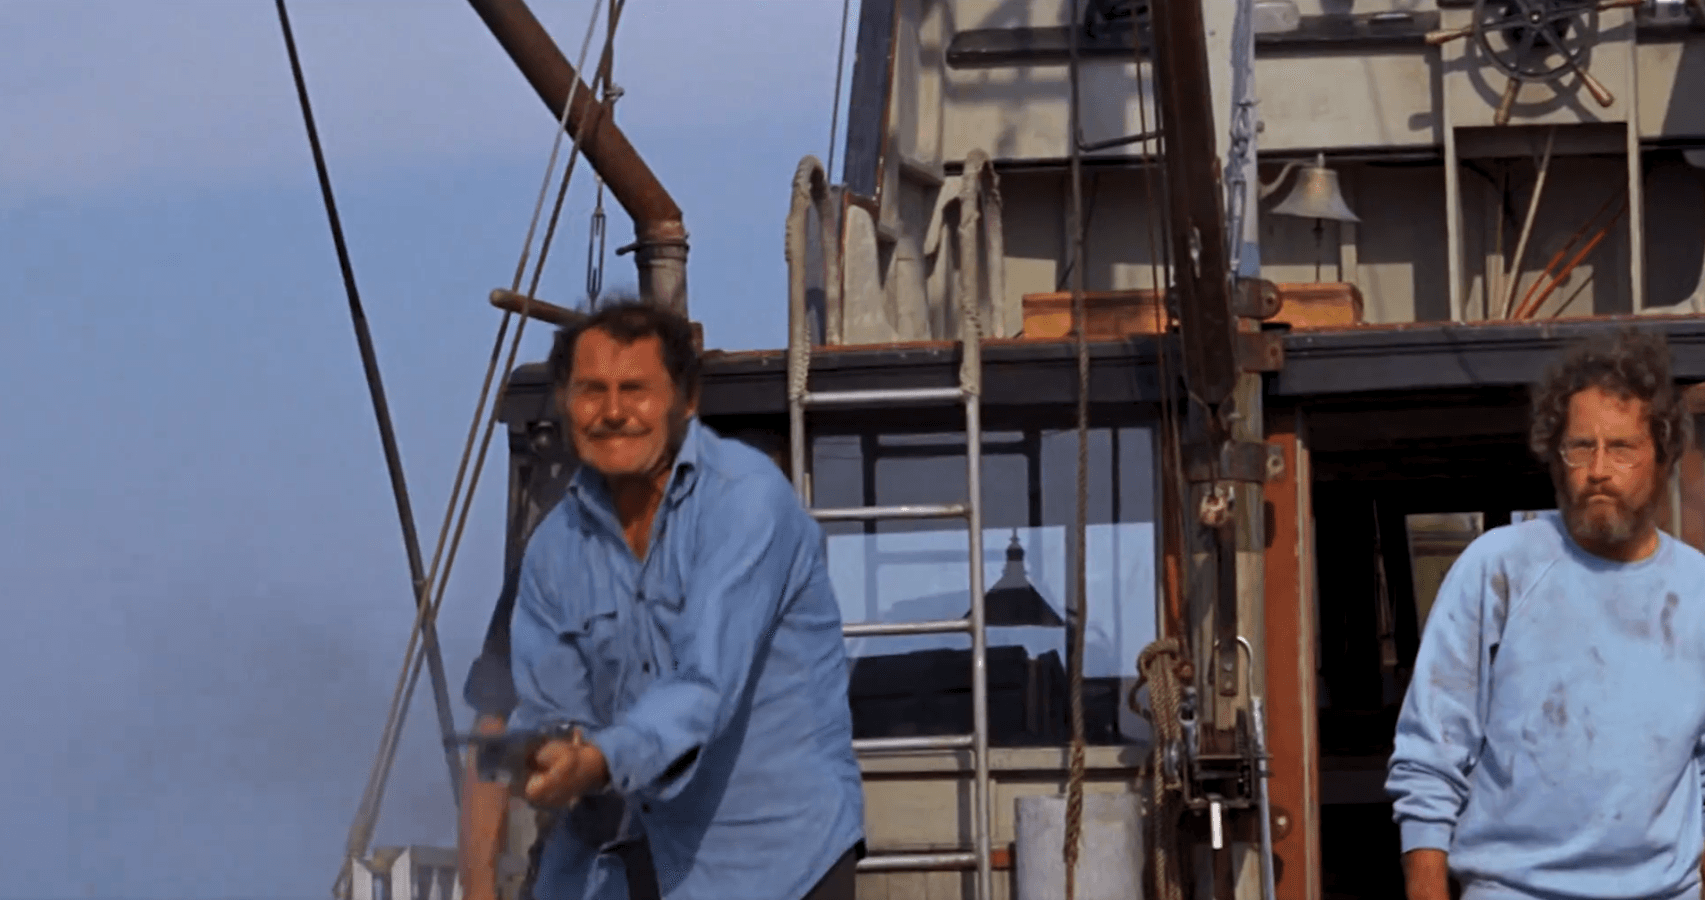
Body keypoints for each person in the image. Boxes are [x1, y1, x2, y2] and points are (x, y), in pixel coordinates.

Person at [500, 298, 866, 900]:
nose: (613, 412)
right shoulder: (552, 550)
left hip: (778, 866)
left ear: (686, 401)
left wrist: (595, 760)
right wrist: (543, 755)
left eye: (635, 389)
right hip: (623, 863)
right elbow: (552, 706)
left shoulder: (746, 501)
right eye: (592, 390)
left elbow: (705, 686)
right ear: (565, 402)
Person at [1387, 328, 1705, 900]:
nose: (1599, 469)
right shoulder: (1498, 567)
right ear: (1556, 459)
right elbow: (1431, 750)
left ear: (1662, 457)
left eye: (1622, 447)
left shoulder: (1698, 590)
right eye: (1580, 447)